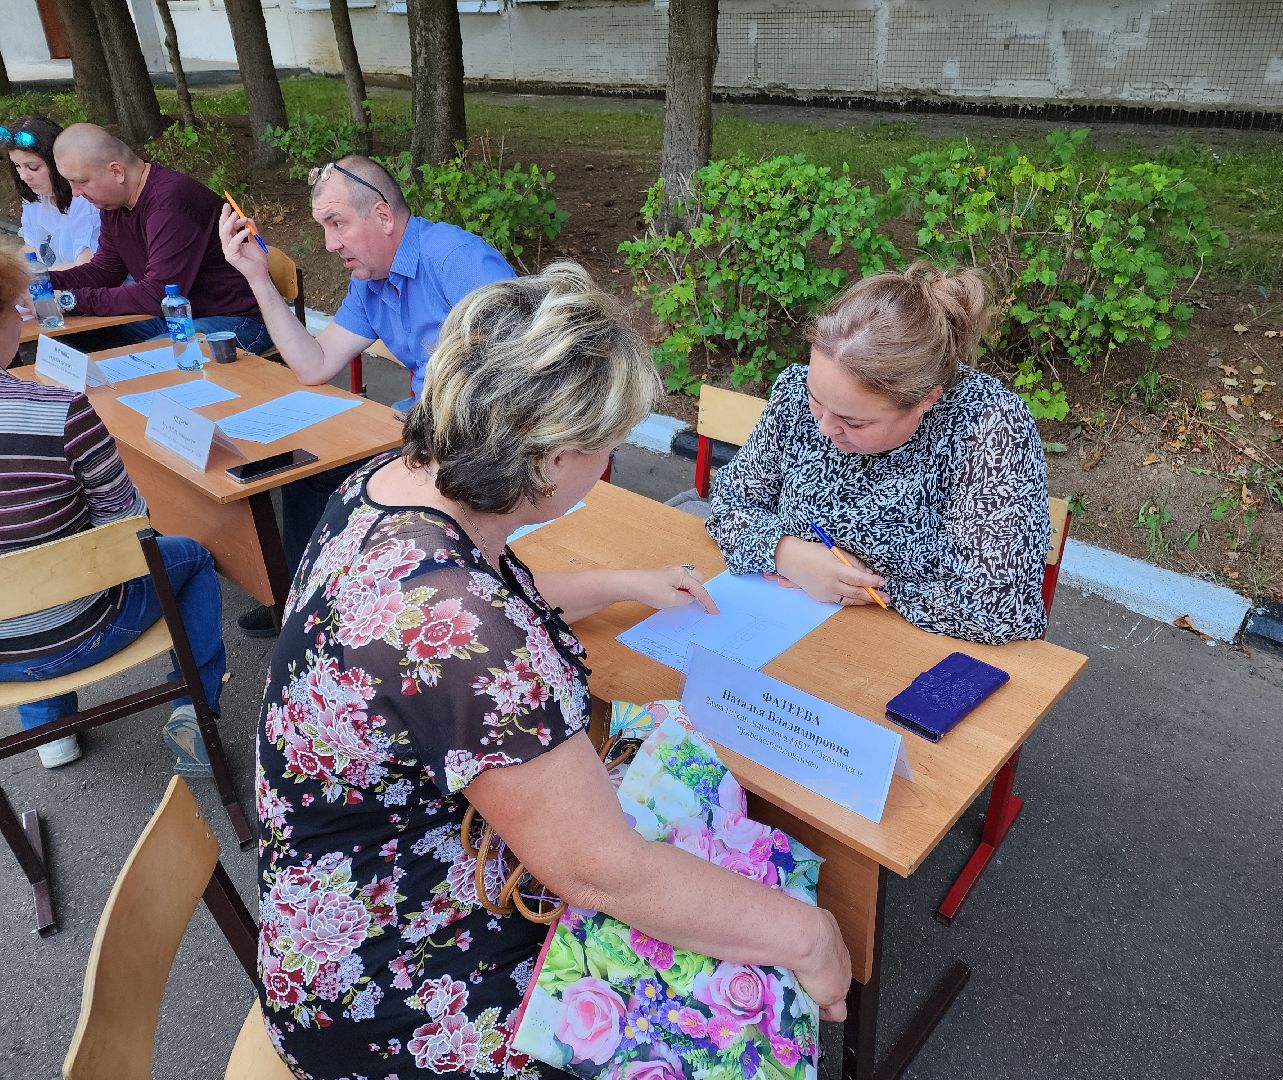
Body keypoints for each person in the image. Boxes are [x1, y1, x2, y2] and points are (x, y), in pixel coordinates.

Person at [255, 262, 851, 1078]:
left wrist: (623, 584)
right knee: (738, 999)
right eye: (605, 449)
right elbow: (599, 869)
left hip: (364, 887)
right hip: (399, 972)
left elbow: (489, 599)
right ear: (550, 462)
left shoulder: (389, 490)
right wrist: (807, 936)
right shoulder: (453, 628)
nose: (608, 466)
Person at [218, 155, 513, 638]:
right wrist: (257, 278)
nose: (330, 244)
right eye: (324, 228)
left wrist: (425, 434)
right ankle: (308, 601)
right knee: (305, 467)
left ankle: (340, 612)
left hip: (481, 434)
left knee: (339, 480)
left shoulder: (454, 257)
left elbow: (521, 371)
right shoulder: (370, 279)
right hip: (424, 426)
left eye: (337, 224)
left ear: (382, 215)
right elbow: (315, 365)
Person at [706, 262, 1050, 644]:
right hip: (784, 631)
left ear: (926, 401)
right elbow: (730, 501)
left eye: (854, 423)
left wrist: (866, 587)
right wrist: (787, 553)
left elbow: (1001, 609)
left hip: (915, 652)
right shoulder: (799, 396)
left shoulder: (987, 429)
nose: (824, 427)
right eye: (816, 401)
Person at [0, 245, 224, 774]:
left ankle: (49, 732)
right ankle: (192, 711)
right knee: (191, 557)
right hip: (84, 631)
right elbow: (129, 533)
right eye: (12, 307)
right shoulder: (59, 414)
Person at [45, 124, 271, 355]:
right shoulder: (114, 203)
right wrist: (41, 282)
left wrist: (69, 300)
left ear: (117, 172)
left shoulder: (170, 204)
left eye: (81, 181)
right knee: (68, 344)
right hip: (175, 315)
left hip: (236, 320)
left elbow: (157, 294)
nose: (75, 192)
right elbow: (106, 270)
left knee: (142, 363)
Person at [4, 117, 101, 271]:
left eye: (33, 167)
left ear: (57, 163)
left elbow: (87, 267)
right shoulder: (33, 197)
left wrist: (32, 279)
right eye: (17, 166)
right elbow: (32, 248)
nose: (23, 176)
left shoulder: (85, 200)